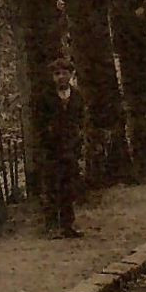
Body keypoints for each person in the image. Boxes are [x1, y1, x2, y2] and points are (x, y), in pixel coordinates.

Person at [36, 57, 85, 238]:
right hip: (52, 149)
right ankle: (51, 226)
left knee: (68, 187)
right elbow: (39, 123)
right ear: (52, 77)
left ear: (71, 75)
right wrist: (47, 139)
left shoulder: (77, 96)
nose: (61, 77)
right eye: (57, 74)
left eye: (65, 73)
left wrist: (77, 141)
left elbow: (80, 120)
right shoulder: (45, 97)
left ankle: (67, 225)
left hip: (71, 148)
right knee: (51, 186)